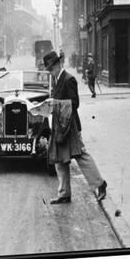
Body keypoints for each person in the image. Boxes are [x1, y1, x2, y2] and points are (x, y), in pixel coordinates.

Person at [41, 50, 107, 204]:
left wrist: (56, 103)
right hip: (60, 126)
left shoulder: (69, 79)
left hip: (71, 126)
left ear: (58, 65)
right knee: (59, 159)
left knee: (81, 155)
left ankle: (100, 184)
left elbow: (75, 103)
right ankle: (64, 194)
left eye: (51, 69)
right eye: (49, 70)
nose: (50, 72)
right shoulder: (57, 79)